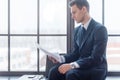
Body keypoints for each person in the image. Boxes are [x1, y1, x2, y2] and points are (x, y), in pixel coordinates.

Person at [48, 0, 108, 80]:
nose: (72, 16)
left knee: (71, 74)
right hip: (81, 66)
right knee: (54, 71)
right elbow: (75, 54)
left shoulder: (100, 29)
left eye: (74, 12)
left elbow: (96, 58)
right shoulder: (77, 31)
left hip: (96, 68)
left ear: (84, 9)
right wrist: (60, 58)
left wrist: (72, 65)